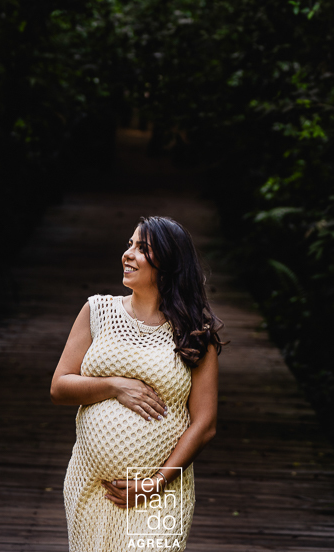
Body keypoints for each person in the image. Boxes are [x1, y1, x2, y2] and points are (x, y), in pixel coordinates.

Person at [51, 214, 222, 551]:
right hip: (92, 486)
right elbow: (60, 387)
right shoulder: (97, 311)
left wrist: (154, 483)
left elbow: (204, 425)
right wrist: (114, 386)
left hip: (162, 494)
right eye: (129, 244)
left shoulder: (195, 335)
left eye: (142, 248)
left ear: (169, 263)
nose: (127, 254)